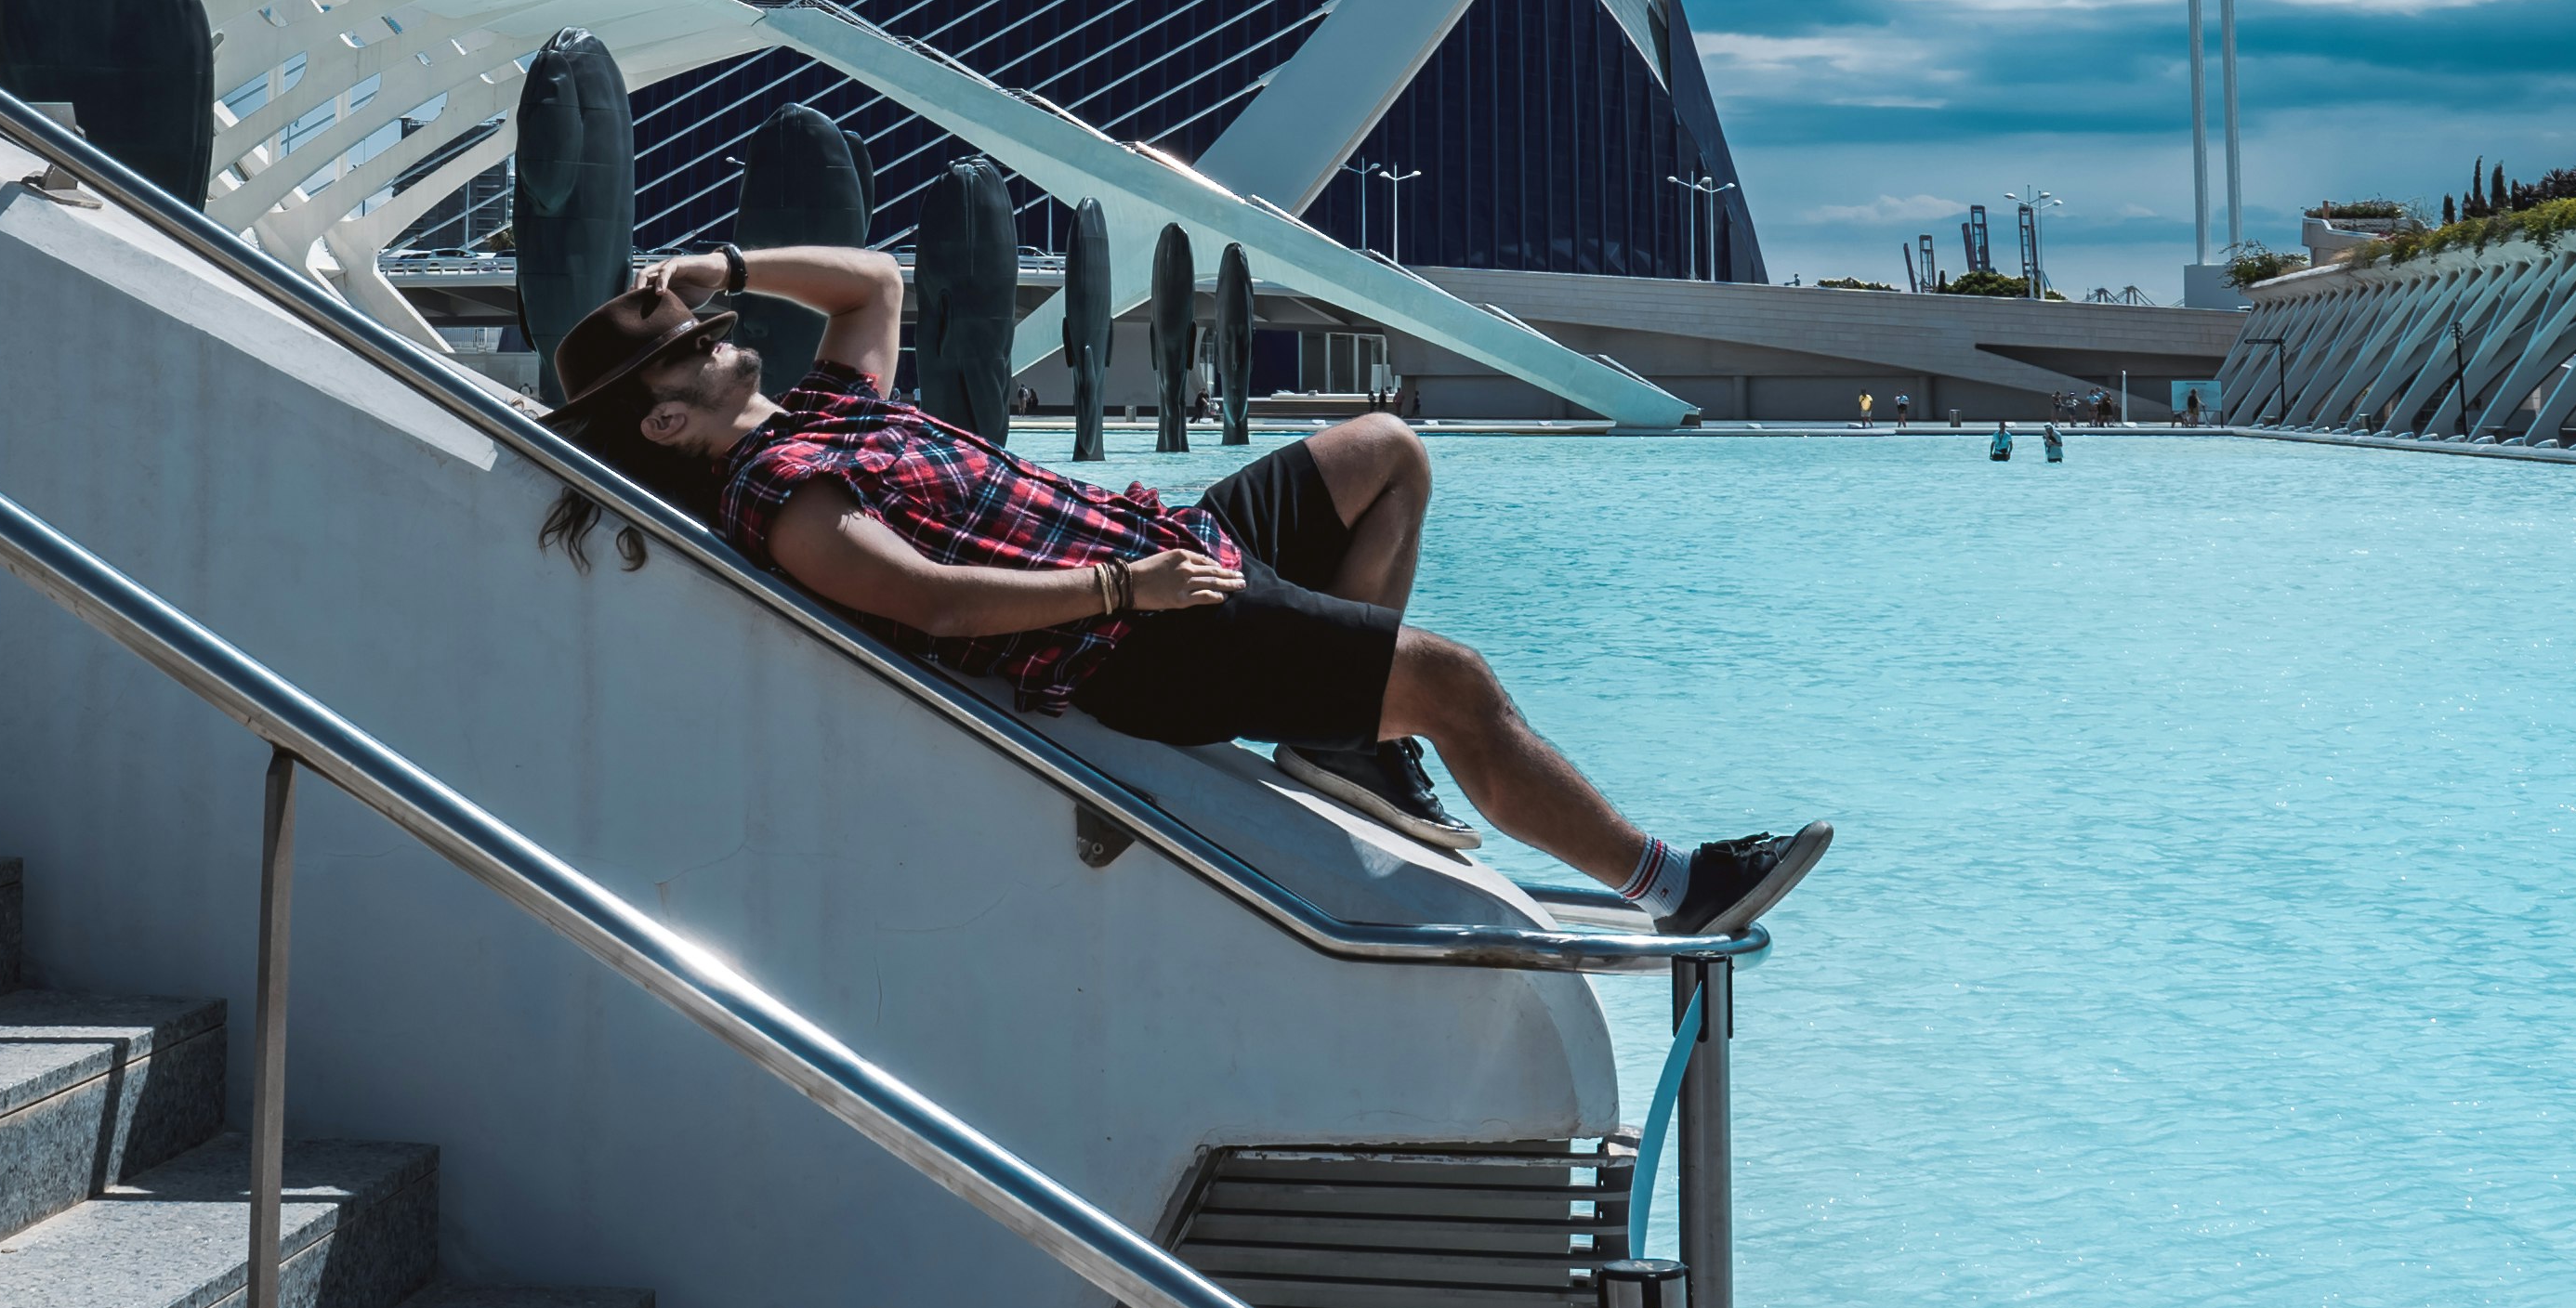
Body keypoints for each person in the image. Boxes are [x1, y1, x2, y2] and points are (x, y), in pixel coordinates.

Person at [537, 242, 1829, 940]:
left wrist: (719, 261)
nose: (713, 340)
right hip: (1131, 637)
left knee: (1385, 453)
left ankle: (1335, 742)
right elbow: (930, 604)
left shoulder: (823, 406)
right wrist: (1122, 590)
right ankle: (1671, 884)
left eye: (702, 328)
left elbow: (875, 281)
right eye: (691, 350)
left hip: (1170, 542)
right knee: (1451, 683)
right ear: (662, 424)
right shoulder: (782, 492)